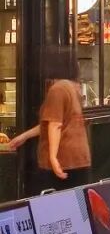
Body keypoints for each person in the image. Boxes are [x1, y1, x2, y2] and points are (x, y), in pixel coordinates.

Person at [8, 46, 91, 192]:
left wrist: (53, 157)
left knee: (53, 203)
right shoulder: (73, 88)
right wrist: (24, 136)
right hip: (79, 159)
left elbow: (55, 125)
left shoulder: (57, 89)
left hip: (63, 160)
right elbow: (51, 123)